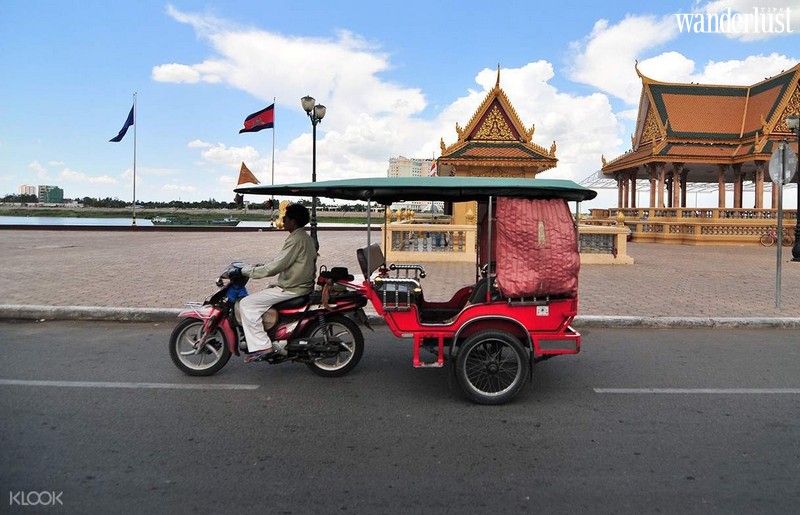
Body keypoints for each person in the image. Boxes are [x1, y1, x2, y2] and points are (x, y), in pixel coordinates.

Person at [239, 203, 317, 362]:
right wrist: (259, 267)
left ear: (293, 221)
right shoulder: (304, 237)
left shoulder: (296, 239)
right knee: (265, 293)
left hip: (292, 288)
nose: (283, 221)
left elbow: (275, 267)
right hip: (299, 285)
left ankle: (262, 346)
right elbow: (283, 261)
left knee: (247, 304)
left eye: (285, 218)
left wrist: (246, 271)